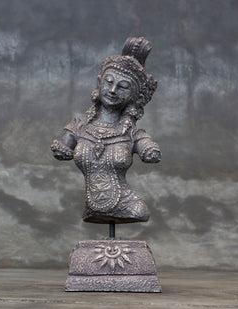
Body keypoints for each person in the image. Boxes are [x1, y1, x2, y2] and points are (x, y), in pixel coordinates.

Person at [51, 37, 161, 225]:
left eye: (123, 86)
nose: (112, 90)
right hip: (91, 208)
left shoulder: (133, 135)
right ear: (99, 83)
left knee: (140, 212)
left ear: (136, 96)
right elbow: (63, 148)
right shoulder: (79, 129)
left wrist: (150, 150)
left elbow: (149, 149)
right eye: (108, 82)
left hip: (128, 206)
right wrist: (61, 149)